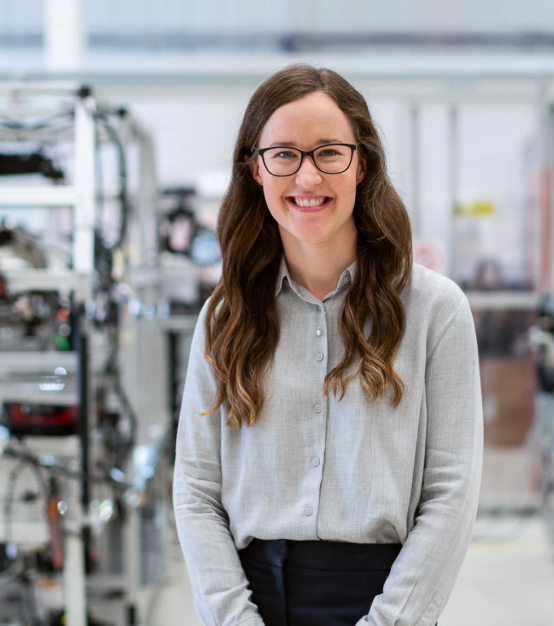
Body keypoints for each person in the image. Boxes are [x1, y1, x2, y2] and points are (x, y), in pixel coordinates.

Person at [173, 64, 483, 626]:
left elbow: (451, 494)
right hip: (251, 598)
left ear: (361, 164)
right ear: (255, 169)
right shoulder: (226, 314)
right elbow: (196, 490)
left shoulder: (436, 311)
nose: (307, 178)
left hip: (385, 599)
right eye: (284, 154)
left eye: (328, 153)